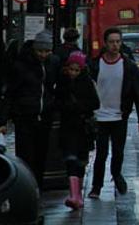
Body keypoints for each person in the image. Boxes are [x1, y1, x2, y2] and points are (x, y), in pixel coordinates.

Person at [88, 27, 139, 198]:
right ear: (105, 44)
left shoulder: (128, 66)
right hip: (99, 116)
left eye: (117, 42)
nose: (115, 45)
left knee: (118, 151)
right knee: (101, 153)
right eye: (111, 42)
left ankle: (116, 174)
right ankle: (96, 187)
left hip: (119, 116)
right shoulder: (95, 64)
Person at [5, 29, 55, 188]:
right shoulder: (22, 65)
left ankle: (37, 188)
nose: (43, 54)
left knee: (40, 157)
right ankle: (27, 187)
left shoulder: (51, 64)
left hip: (43, 116)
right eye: (40, 50)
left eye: (47, 51)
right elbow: (12, 91)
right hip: (25, 116)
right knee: (26, 156)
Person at [54, 51, 99, 210]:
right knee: (70, 159)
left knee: (81, 161)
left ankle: (78, 195)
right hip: (68, 127)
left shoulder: (86, 82)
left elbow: (95, 103)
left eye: (76, 70)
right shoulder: (62, 82)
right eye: (71, 69)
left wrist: (78, 107)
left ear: (81, 69)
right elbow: (57, 101)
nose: (72, 73)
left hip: (83, 128)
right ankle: (73, 195)